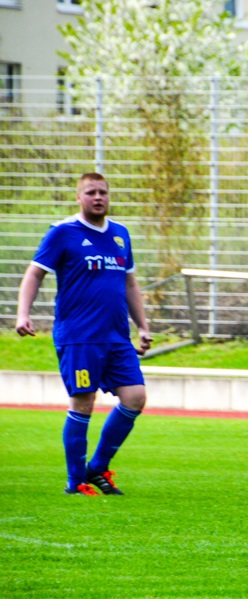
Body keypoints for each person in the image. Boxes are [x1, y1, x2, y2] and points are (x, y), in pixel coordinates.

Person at [15, 173, 153, 496]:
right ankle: (75, 480)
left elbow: (129, 283)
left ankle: (97, 467)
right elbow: (35, 273)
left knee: (135, 398)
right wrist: (24, 313)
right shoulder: (63, 232)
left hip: (116, 337)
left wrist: (143, 326)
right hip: (78, 336)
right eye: (90, 192)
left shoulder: (120, 234)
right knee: (83, 403)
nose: (98, 197)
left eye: (103, 192)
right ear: (79, 197)